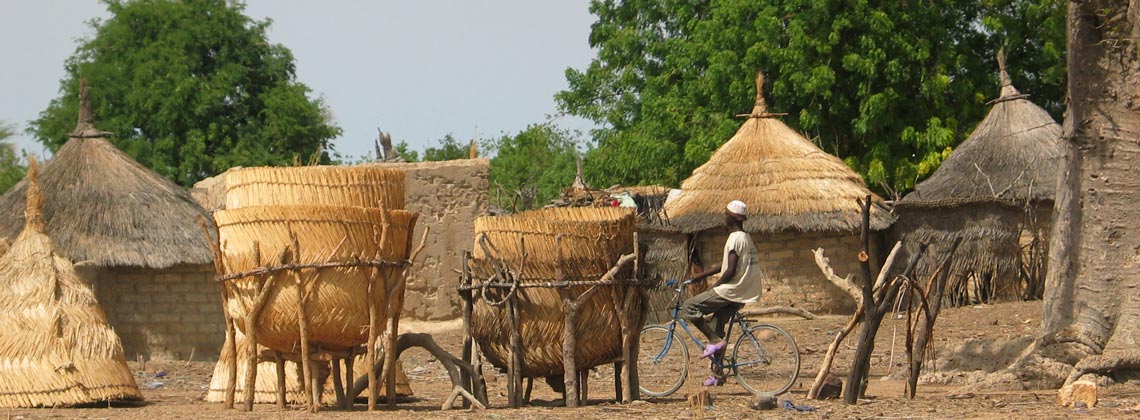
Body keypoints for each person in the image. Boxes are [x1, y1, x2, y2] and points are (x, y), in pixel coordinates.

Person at [680, 200, 763, 384]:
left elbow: (730, 270)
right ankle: (717, 375)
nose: (723, 218)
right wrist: (701, 275)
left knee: (689, 307)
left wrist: (714, 287)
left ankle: (714, 340)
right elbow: (725, 265)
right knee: (717, 323)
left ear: (730, 218)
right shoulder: (745, 237)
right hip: (744, 290)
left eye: (725, 215)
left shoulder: (734, 239)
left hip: (733, 290)